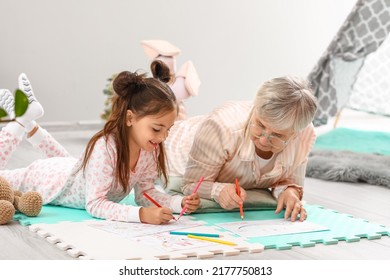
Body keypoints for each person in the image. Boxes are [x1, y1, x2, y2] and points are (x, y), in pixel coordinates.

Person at [0, 65, 200, 225]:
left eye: (169, 129)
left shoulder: (150, 150)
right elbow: (95, 204)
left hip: (71, 170)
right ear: (130, 118)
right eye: (157, 129)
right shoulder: (105, 148)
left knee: (65, 161)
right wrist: (141, 215)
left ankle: (29, 122)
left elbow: (145, 192)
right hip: (49, 179)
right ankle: (20, 123)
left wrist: (177, 202)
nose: (163, 137)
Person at [165, 76, 317, 222]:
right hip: (177, 146)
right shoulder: (222, 126)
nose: (263, 140)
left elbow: (289, 181)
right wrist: (219, 191)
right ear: (255, 108)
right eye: (261, 124)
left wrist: (290, 192)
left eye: (277, 135)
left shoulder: (305, 134)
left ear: (295, 134)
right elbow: (190, 184)